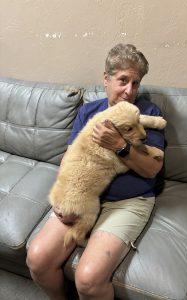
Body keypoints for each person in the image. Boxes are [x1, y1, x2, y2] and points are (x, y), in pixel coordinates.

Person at [26, 43, 165, 300]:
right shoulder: (89, 112)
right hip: (84, 194)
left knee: (88, 279)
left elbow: (151, 170)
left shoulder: (146, 113)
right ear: (106, 78)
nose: (129, 90)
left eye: (135, 83)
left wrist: (120, 146)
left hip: (127, 201)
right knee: (38, 259)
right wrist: (62, 197)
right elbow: (70, 158)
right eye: (123, 80)